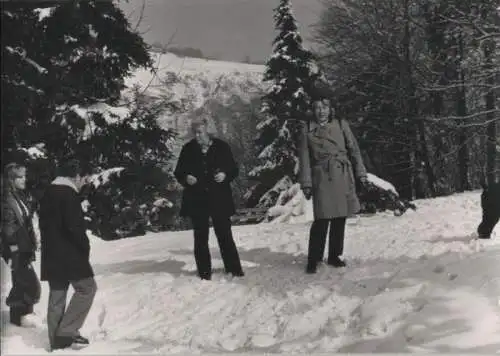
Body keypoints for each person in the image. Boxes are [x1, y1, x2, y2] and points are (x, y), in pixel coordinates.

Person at [298, 90, 368, 274]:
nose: (321, 111)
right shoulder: (306, 129)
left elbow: (354, 150)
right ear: (312, 110)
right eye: (317, 107)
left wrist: (361, 173)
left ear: (331, 109)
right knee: (321, 219)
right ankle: (314, 258)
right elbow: (304, 158)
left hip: (342, 173)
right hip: (321, 176)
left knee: (339, 217)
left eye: (324, 107)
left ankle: (335, 255)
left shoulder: (341, 124)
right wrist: (305, 183)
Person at [174, 117, 244, 280]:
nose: (197, 136)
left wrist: (225, 174)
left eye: (200, 132)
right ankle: (204, 273)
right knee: (200, 237)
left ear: (208, 131)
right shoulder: (188, 149)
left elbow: (233, 169)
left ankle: (234, 269)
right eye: (195, 133)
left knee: (225, 234)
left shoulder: (222, 147)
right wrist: (186, 178)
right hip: (197, 198)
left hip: (219, 197)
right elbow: (179, 172)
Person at [38, 159, 97, 351]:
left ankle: (55, 340)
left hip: (51, 253)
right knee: (87, 288)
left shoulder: (48, 192)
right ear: (77, 175)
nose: (83, 184)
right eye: (84, 179)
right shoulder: (68, 194)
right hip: (70, 254)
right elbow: (75, 228)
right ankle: (66, 332)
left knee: (57, 295)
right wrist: (84, 246)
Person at [1, 163, 41, 327]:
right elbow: (8, 226)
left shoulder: (18, 196)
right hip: (16, 249)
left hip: (23, 247)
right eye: (20, 177)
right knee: (30, 284)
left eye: (25, 176)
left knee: (22, 282)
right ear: (11, 179)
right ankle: (20, 317)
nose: (24, 179)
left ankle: (21, 315)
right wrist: (13, 247)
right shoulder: (6, 199)